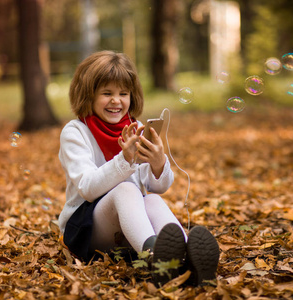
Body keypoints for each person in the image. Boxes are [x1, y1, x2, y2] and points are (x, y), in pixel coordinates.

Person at [58, 50, 219, 286]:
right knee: (126, 190)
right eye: (107, 93)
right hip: (86, 230)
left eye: (124, 93)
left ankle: (187, 260)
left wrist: (157, 163)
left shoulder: (136, 128)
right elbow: (88, 188)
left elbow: (159, 186)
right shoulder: (76, 132)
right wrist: (124, 159)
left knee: (152, 200)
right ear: (88, 95)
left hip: (129, 229)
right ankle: (156, 258)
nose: (116, 101)